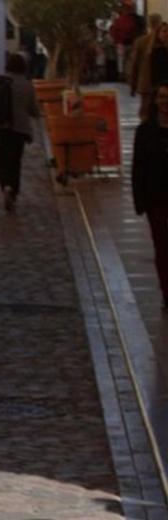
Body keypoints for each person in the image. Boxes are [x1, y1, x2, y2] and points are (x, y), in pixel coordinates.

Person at [0, 53, 40, 212]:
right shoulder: (27, 85)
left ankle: (5, 186)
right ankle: (13, 190)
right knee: (15, 161)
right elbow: (33, 110)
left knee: (1, 160)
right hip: (19, 129)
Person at [131, 81, 168, 310]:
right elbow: (138, 167)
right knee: (162, 247)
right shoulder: (144, 131)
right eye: (162, 97)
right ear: (155, 101)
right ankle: (167, 291)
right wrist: (139, 200)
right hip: (157, 197)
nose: (165, 102)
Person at [130, 14, 164, 120]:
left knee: (145, 108)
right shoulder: (163, 41)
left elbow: (134, 65)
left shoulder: (140, 41)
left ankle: (145, 128)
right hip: (160, 81)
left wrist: (133, 84)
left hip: (146, 82)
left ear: (149, 24)